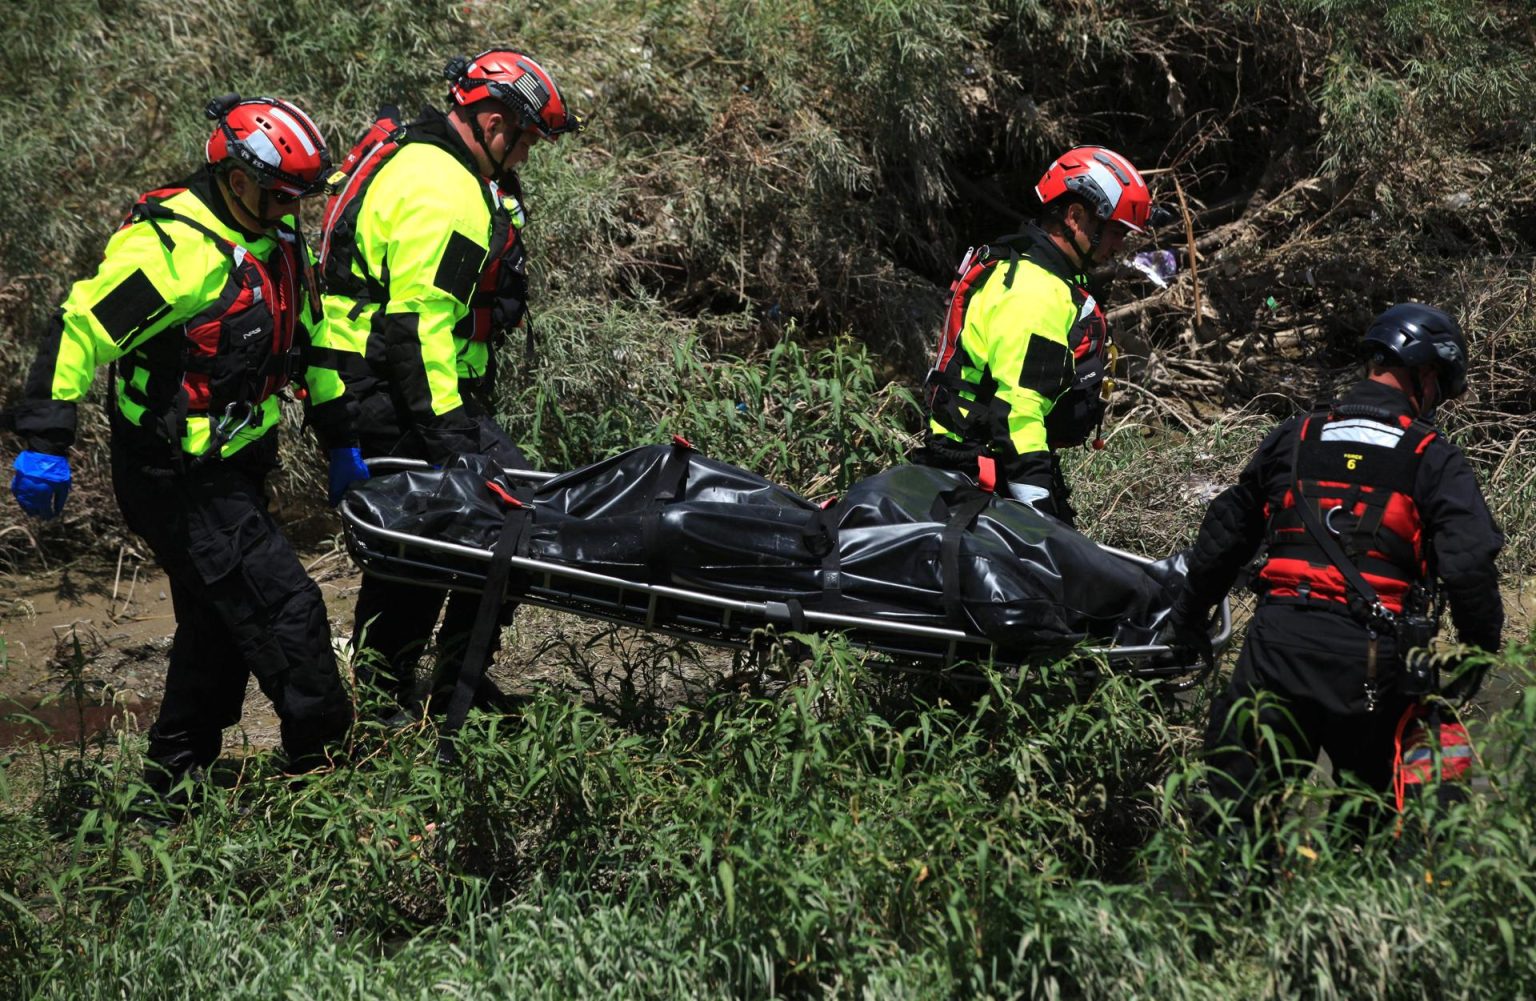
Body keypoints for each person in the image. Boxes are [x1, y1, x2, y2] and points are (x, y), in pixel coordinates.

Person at [5, 95, 364, 792]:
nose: (293, 209)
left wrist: (341, 440)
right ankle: (325, 779)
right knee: (288, 611)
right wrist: (45, 437)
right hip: (177, 478)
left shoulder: (276, 239)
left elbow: (314, 344)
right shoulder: (173, 252)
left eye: (299, 197)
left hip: (236, 468)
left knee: (218, 624)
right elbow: (79, 328)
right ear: (237, 180)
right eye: (280, 194)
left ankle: (171, 785)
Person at [1165, 302, 1504, 838]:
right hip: (1370, 663)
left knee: (1235, 827)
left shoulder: (1296, 436)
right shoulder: (1433, 457)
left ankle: (1235, 912)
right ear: (1425, 374)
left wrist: (1187, 617)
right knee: (1368, 836)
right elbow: (1468, 568)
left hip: (1276, 648)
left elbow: (1226, 535)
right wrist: (1475, 657)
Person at [310, 49, 581, 715]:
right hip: (388, 390)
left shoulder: (425, 156)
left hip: (378, 380)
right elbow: (418, 323)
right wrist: (451, 436)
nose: (525, 159)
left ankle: (448, 679)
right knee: (433, 546)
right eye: (524, 142)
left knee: (451, 536)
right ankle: (391, 702)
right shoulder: (448, 190)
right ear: (493, 121)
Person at [916, 146, 1152, 526]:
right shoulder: (1035, 291)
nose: (1119, 246)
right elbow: (1016, 411)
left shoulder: (1033, 274)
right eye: (1115, 232)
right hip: (985, 474)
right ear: (1076, 217)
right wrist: (1039, 515)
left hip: (989, 464)